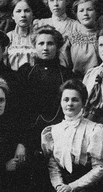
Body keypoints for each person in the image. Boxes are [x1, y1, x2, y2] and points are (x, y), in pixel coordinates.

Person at [18, 25, 72, 153]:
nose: (45, 48)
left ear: (57, 46)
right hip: (30, 132)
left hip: (60, 131)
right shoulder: (26, 72)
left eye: (50, 43)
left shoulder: (66, 75)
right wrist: (21, 141)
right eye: (41, 43)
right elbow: (20, 109)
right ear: (35, 46)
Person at [60, 0, 100, 77]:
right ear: (76, 14)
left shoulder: (102, 36)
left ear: (96, 12)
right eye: (81, 11)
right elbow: (63, 63)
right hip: (76, 81)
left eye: (89, 9)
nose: (85, 13)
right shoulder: (71, 37)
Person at [5, 0, 36, 71]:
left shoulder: (39, 37)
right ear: (12, 15)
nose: (23, 15)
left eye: (27, 11)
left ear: (32, 14)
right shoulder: (8, 37)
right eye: (18, 11)